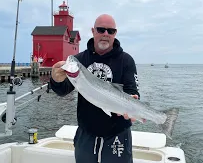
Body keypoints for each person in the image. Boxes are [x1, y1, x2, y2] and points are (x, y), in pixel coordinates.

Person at [50, 14, 142, 163]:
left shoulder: (126, 60)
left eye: (110, 31)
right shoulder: (80, 59)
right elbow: (62, 91)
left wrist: (133, 102)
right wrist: (56, 79)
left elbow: (133, 91)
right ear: (93, 31)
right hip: (86, 133)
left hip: (118, 133)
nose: (106, 34)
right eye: (101, 30)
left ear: (115, 34)